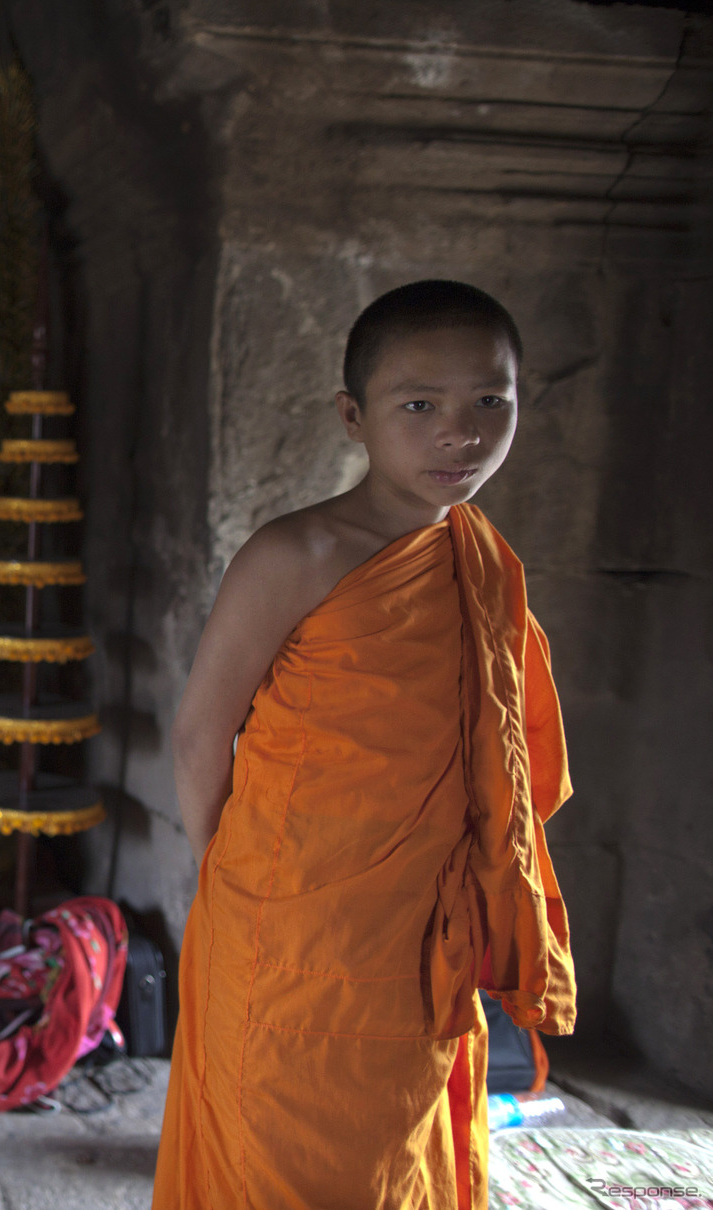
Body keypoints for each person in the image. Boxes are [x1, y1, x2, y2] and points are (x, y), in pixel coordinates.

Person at [153, 281, 575, 1209]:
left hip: (418, 931)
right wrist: (232, 879)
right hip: (282, 921)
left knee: (395, 1150)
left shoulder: (479, 560)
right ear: (354, 416)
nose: (456, 433)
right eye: (417, 405)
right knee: (273, 1159)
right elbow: (198, 737)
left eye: (487, 403)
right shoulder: (294, 555)